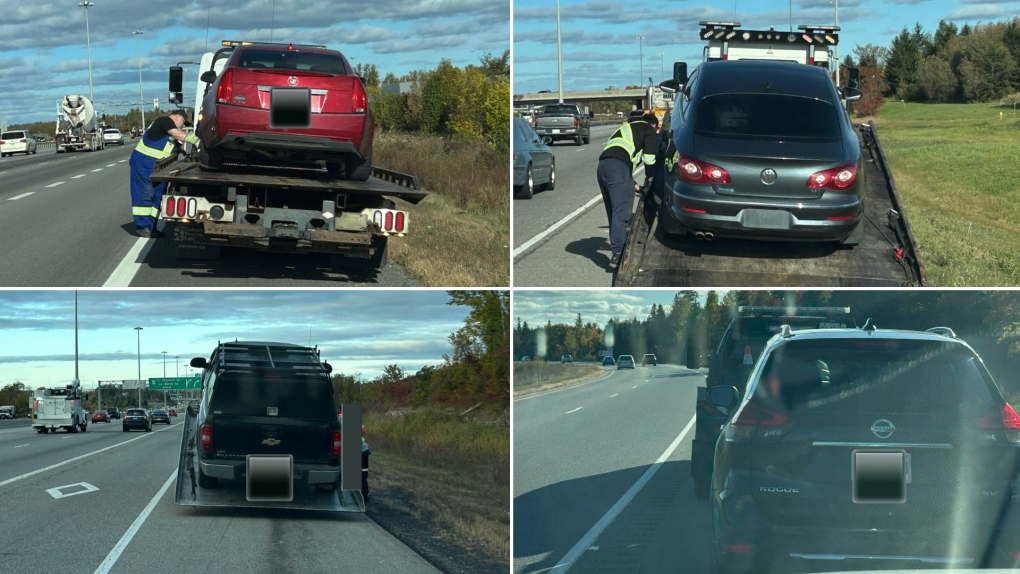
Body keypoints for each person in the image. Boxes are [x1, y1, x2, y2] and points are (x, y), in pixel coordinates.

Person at [597, 112, 659, 268]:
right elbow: (649, 158)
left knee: (613, 211)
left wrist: (638, 188)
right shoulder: (649, 130)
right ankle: (618, 254)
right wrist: (651, 180)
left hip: (603, 167)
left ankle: (617, 247)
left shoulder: (625, 129)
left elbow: (621, 169)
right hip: (618, 169)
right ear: (653, 124)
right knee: (621, 211)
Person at [128, 109, 199, 238]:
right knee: (145, 194)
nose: (183, 126)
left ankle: (151, 227)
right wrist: (197, 140)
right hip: (144, 163)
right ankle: (142, 226)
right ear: (176, 117)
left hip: (158, 168)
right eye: (183, 122)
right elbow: (178, 134)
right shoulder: (164, 121)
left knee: (158, 197)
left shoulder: (167, 132)